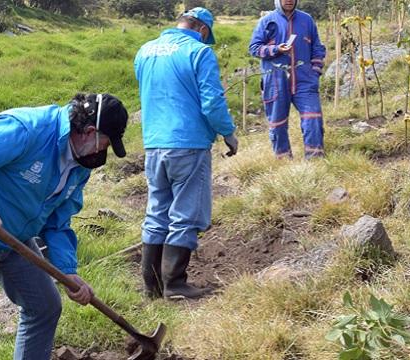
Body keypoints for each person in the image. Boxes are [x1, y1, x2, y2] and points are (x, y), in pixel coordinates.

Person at [0, 93, 128, 360]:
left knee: (45, 307)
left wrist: (67, 271)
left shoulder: (80, 163)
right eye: (104, 143)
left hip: (14, 237)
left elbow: (58, 222)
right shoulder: (26, 130)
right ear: (89, 131)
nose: (101, 152)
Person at [134, 7, 238, 301]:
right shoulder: (199, 53)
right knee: (185, 213)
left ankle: (151, 286)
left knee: (156, 211)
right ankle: (175, 284)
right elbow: (212, 102)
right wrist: (227, 133)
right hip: (188, 143)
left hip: (154, 143)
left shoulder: (145, 51)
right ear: (202, 30)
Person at [249, 0, 327, 159]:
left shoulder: (307, 20)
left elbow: (317, 48)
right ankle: (283, 160)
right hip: (275, 81)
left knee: (313, 118)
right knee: (277, 124)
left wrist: (315, 71)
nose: (289, 0)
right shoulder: (267, 21)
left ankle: (315, 160)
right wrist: (275, 49)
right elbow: (254, 48)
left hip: (305, 80)